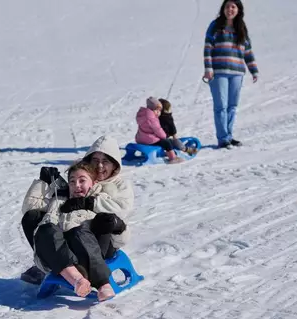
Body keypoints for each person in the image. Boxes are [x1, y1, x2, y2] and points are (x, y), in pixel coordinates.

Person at [20, 135, 135, 286]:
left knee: (96, 224)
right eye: (95, 161)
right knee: (33, 217)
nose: (100, 166)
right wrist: (48, 182)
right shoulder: (80, 180)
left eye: (105, 161)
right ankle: (50, 260)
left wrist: (88, 202)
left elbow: (122, 210)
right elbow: (58, 205)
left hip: (104, 238)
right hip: (71, 233)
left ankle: (84, 267)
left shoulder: (120, 185)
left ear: (114, 165)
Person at [22, 161, 123, 301]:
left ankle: (102, 284)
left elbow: (118, 218)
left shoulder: (100, 199)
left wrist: (114, 223)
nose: (77, 186)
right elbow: (29, 209)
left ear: (93, 183)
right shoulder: (58, 200)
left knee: (78, 232)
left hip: (89, 252)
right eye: (72, 181)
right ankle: (77, 280)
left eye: (82, 180)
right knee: (46, 229)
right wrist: (42, 182)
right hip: (57, 255)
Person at [203, 0, 258, 149]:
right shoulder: (215, 25)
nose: (230, 9)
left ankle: (229, 136)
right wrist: (208, 68)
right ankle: (223, 139)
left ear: (238, 10)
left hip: (237, 72)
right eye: (227, 6)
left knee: (232, 106)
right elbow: (208, 47)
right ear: (223, 9)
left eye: (233, 7)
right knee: (221, 106)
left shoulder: (241, 28)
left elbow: (247, 51)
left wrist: (253, 70)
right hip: (218, 72)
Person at [135, 97, 184, 164]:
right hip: (149, 140)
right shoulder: (151, 118)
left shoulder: (142, 115)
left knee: (159, 139)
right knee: (167, 142)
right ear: (152, 109)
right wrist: (164, 136)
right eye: (157, 110)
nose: (158, 112)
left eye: (159, 111)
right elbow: (157, 129)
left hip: (140, 139)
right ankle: (173, 158)